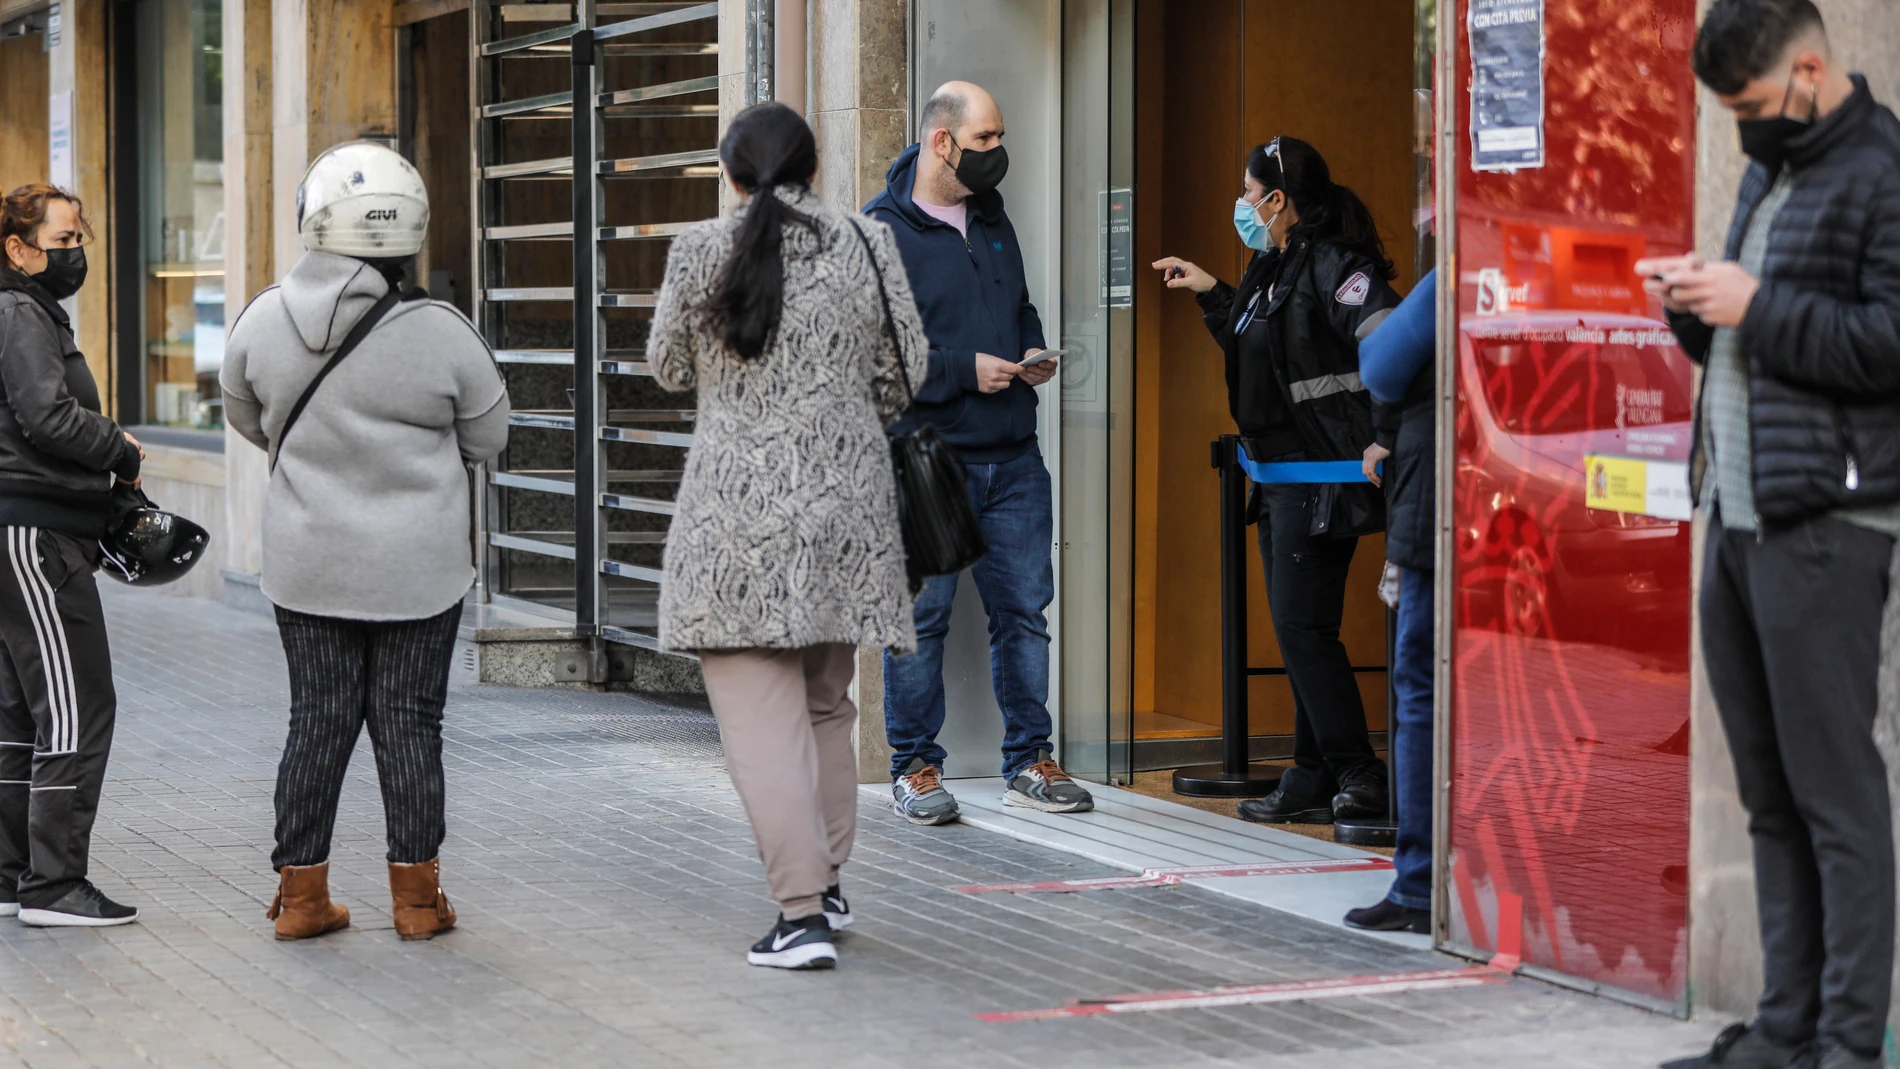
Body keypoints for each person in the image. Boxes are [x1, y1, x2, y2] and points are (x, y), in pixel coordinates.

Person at [1640, 3, 1900, 1067]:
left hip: (1826, 524)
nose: (1738, 127)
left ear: (1806, 71)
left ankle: (1846, 1043)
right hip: (1737, 517)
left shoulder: (1882, 173)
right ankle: (1784, 1031)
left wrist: (1752, 300)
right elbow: (1756, 338)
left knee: (1834, 796)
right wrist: (1693, 305)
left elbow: (1885, 345)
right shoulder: (1773, 167)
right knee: (1769, 793)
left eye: (1745, 106)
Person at [647, 102, 927, 970]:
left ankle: (800, 912)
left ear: (730, 173)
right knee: (823, 706)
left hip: (735, 521)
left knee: (759, 723)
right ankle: (828, 883)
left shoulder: (699, 249)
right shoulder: (869, 242)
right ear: (815, 166)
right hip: (847, 513)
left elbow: (666, 367)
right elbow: (907, 369)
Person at [222, 142, 509, 942]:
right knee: (410, 722)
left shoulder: (262, 318)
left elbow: (246, 416)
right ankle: (418, 903)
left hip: (307, 560)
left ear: (314, 220)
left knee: (317, 718)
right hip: (420, 568)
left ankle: (304, 898)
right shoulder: (443, 331)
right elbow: (490, 437)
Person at [1151, 137, 1397, 827]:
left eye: (1249, 192)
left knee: (1302, 630)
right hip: (1282, 479)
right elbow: (1252, 339)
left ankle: (1356, 770)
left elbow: (1389, 337)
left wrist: (1386, 432)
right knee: (1303, 629)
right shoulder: (1272, 265)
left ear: (1278, 199)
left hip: (1327, 476)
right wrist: (1209, 291)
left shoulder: (1331, 266)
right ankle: (1313, 770)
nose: (1244, 204)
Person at [865, 81, 1093, 826]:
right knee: (921, 621)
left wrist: (1028, 345)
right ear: (942, 142)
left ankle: (1030, 757)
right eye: (987, 140)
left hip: (1014, 455)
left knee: (1025, 614)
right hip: (928, 460)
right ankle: (915, 768)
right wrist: (967, 369)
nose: (1000, 153)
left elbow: (1019, 301)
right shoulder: (881, 231)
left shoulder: (991, 216)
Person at [0, 184, 144, 927]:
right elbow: (46, 414)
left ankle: (12, 872)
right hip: (33, 533)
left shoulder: (18, 307)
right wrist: (118, 445)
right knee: (74, 703)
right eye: (61, 242)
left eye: (79, 236)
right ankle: (54, 884)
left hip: (17, 529)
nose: (76, 252)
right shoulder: (20, 310)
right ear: (17, 250)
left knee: (19, 708)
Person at [1342, 269, 1436, 934]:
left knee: (1421, 690)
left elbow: (1381, 360)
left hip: (1437, 506)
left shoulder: (1458, 268)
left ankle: (1421, 881)